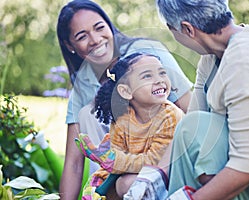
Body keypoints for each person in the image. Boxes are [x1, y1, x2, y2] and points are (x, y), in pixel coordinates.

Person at [125, 0, 249, 199]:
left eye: (172, 30)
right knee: (193, 127)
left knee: (196, 130)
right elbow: (190, 127)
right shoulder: (212, 56)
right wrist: (155, 175)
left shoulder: (244, 61)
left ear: (187, 29)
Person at [56, 0, 192, 199]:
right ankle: (102, 193)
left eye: (99, 27)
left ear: (109, 26)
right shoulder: (83, 84)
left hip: (165, 160)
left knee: (129, 184)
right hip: (125, 166)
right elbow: (74, 164)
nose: (95, 40)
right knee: (88, 113)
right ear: (70, 45)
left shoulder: (147, 52)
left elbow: (191, 109)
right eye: (82, 36)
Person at [75, 52, 184, 199]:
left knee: (127, 184)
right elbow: (114, 166)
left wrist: (114, 161)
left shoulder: (170, 116)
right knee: (115, 186)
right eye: (147, 76)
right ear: (126, 91)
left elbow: (155, 162)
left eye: (162, 73)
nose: (159, 80)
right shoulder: (122, 120)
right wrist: (96, 186)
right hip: (136, 175)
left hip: (170, 178)